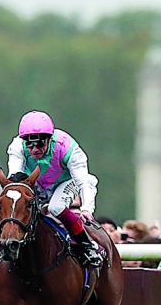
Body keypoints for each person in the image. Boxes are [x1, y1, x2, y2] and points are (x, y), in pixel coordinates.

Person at [7, 110, 103, 268]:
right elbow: (15, 177)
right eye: (29, 144)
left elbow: (83, 181)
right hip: (37, 182)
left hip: (66, 182)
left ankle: (87, 245)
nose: (34, 149)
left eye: (39, 143)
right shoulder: (17, 146)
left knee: (56, 207)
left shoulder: (67, 147)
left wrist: (87, 209)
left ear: (49, 139)